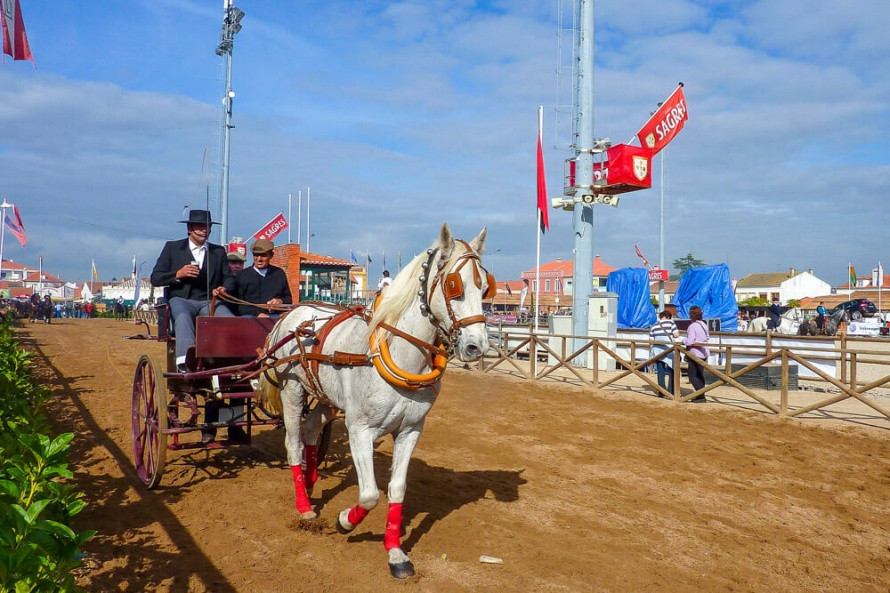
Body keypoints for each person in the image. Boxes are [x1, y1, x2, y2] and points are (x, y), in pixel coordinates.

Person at [150, 209, 236, 373]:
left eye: (207, 226)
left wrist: (224, 288)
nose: (204, 230)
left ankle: (228, 359)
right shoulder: (172, 248)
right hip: (181, 299)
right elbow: (156, 278)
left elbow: (229, 278)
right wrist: (178, 274)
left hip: (209, 301)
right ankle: (185, 362)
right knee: (182, 317)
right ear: (189, 228)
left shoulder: (218, 252)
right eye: (200, 226)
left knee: (228, 319)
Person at [235, 239, 292, 318]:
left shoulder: (279, 274)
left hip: (274, 317)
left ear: (271, 255)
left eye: (263, 255)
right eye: (256, 255)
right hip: (249, 317)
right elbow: (238, 304)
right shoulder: (242, 276)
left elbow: (288, 299)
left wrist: (280, 301)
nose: (259, 259)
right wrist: (258, 314)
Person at [682, 305, 710, 403]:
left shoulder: (692, 326)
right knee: (700, 374)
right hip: (704, 352)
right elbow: (707, 337)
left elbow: (690, 341)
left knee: (692, 375)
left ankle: (701, 396)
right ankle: (700, 395)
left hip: (695, 353)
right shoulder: (704, 324)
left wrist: (683, 340)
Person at [649, 310, 680, 397]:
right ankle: (671, 391)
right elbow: (677, 335)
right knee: (672, 370)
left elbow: (651, 341)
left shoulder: (654, 326)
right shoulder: (671, 323)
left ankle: (661, 391)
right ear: (669, 317)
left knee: (661, 371)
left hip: (658, 350)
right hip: (669, 349)